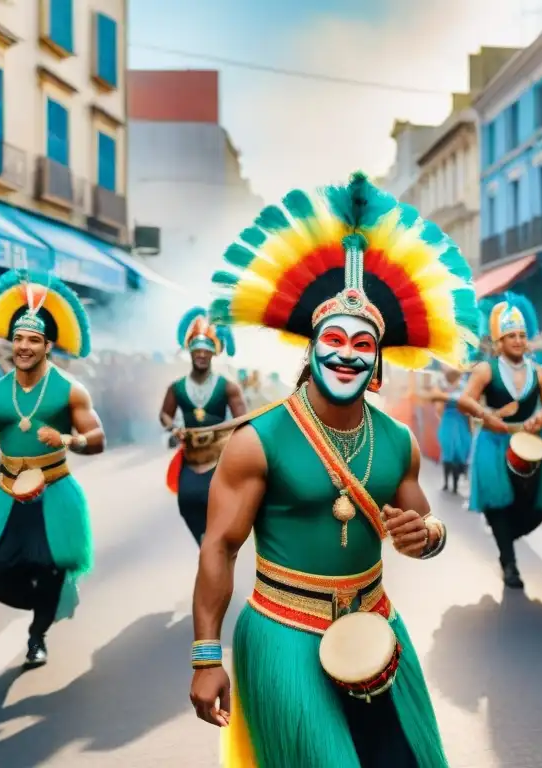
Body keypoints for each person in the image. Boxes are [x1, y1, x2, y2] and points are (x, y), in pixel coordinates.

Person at [189, 172, 475, 767]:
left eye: (362, 344)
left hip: (374, 628)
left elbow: (421, 529)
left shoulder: (396, 441)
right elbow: (218, 546)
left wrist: (428, 536)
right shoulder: (256, 441)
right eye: (334, 338)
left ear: (376, 365)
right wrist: (205, 656)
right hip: (283, 632)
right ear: (312, 348)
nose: (346, 351)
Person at [0, 269, 105, 667]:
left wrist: (68, 440)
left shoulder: (71, 389)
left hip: (54, 490)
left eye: (33, 340)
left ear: (48, 345)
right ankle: (46, 603)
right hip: (6, 493)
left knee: (53, 564)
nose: (23, 347)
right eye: (19, 339)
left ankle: (37, 635)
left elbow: (98, 438)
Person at [457, 293, 542, 589]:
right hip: (492, 443)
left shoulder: (539, 372)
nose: (517, 340)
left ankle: (507, 536)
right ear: (498, 342)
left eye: (521, 335)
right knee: (497, 504)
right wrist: (486, 415)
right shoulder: (485, 369)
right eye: (510, 335)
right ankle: (509, 563)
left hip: (529, 444)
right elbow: (465, 400)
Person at [161, 306, 247, 544]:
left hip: (218, 464)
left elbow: (242, 420)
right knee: (188, 507)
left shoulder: (228, 386)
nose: (201, 355)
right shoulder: (176, 387)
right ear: (190, 352)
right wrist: (174, 427)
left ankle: (214, 556)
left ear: (214, 354)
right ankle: (208, 551)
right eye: (197, 350)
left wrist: (223, 435)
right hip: (189, 464)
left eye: (206, 351)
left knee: (217, 528)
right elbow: (164, 414)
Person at [427, 366, 472, 495]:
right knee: (454, 454)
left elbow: (437, 405)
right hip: (457, 421)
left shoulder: (446, 387)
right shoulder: (461, 387)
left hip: (451, 420)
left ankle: (449, 484)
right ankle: (452, 484)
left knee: (451, 454)